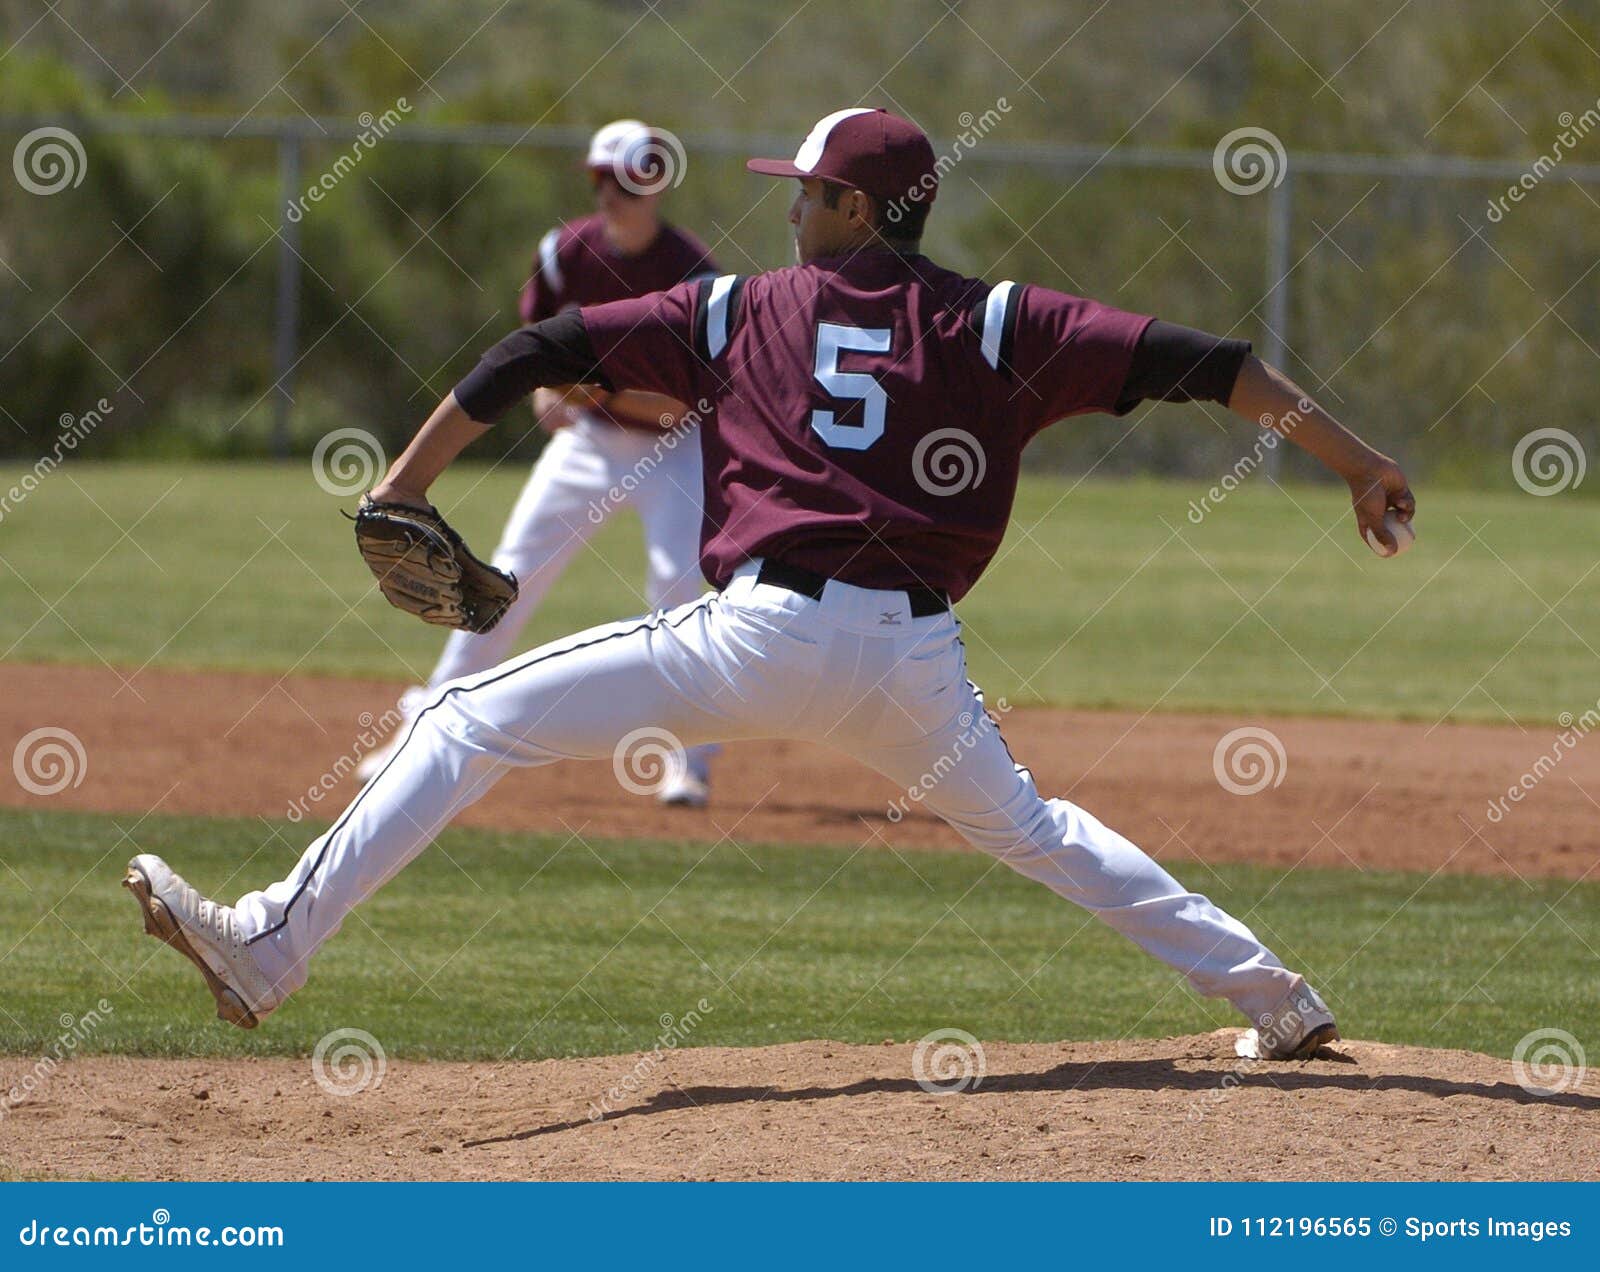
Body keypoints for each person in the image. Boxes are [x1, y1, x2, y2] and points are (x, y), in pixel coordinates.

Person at [125, 108, 1416, 1061]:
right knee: (1035, 834)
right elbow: (1220, 363)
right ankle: (1276, 1000)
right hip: (914, 666)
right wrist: (1358, 465)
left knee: (465, 719)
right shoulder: (1006, 319)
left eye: (808, 191)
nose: (792, 205)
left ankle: (272, 943)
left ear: (856, 210)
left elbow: (533, 349)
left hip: (757, 633)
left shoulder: (737, 308)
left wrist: (404, 487)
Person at [355, 118, 721, 807]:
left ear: (656, 182)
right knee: (508, 575)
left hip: (675, 452)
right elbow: (538, 371)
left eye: (626, 177)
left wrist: (587, 388)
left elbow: (683, 405)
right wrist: (570, 392)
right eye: (599, 177)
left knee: (679, 593)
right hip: (588, 443)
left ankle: (688, 762)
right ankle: (424, 735)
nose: (609, 191)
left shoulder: (694, 272)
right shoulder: (564, 253)